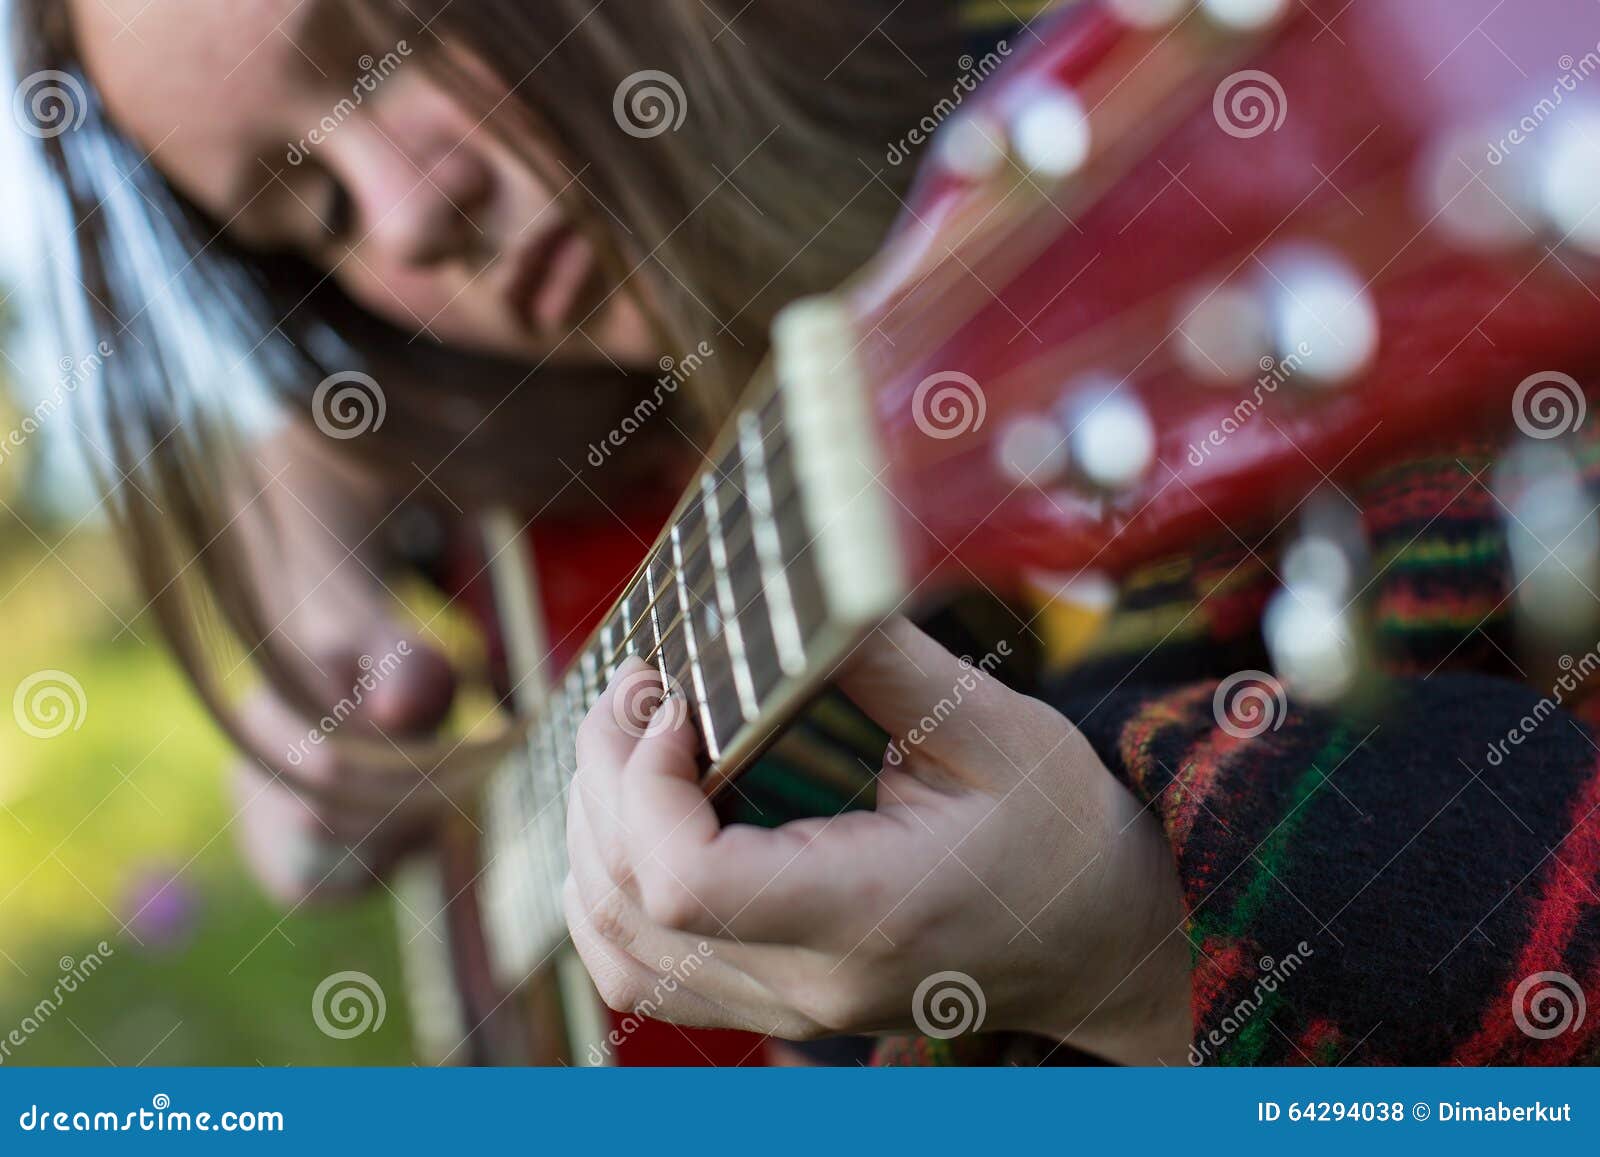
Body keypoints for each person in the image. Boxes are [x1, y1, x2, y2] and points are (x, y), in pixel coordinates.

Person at [12, 0, 1599, 1065]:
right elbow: (329, 429)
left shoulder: (1181, 177)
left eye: (390, 37)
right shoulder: (551, 444)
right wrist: (299, 556)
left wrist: (1138, 937)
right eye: (315, 218)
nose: (408, 210)